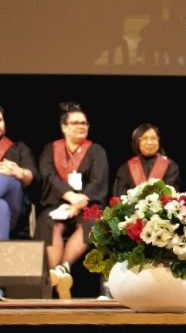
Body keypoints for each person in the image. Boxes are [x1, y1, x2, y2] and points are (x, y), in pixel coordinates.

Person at [35, 102, 108, 299]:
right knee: (48, 222)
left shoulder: (96, 151)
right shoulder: (51, 149)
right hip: (57, 204)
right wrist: (70, 197)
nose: (81, 126)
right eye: (76, 123)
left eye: (84, 123)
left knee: (92, 223)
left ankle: (61, 269)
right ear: (64, 127)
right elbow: (48, 175)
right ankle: (56, 275)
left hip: (88, 205)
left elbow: (98, 181)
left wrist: (80, 202)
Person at [0, 105, 38, 241]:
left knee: (9, 178)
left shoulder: (19, 148)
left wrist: (19, 172)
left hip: (15, 210)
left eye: (0, 120)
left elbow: (32, 176)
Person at [113, 123, 180, 196]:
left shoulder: (170, 166)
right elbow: (119, 196)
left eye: (153, 138)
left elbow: (171, 195)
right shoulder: (125, 168)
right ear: (137, 141)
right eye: (145, 138)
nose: (149, 142)